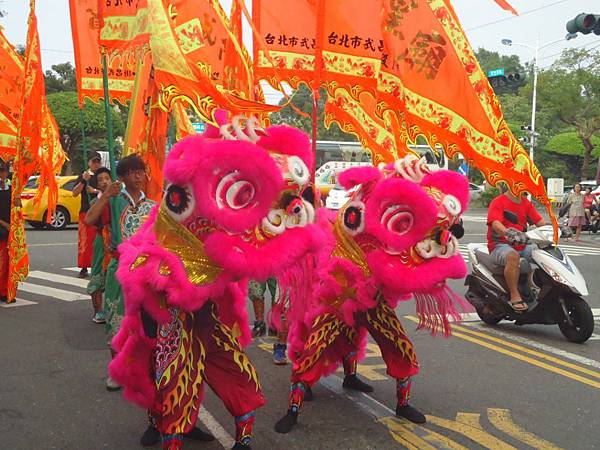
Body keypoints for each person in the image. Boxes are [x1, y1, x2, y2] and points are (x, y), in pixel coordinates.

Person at [85, 155, 155, 390]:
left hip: (146, 272)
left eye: (141, 171)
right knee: (116, 320)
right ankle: (116, 370)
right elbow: (90, 219)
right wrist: (106, 195)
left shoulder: (152, 206)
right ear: (123, 177)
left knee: (148, 323)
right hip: (119, 268)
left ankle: (145, 369)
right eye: (133, 172)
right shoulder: (114, 200)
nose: (138, 175)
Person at [487, 185, 546, 312]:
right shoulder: (498, 201)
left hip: (522, 244)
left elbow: (540, 222)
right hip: (500, 245)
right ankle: (514, 295)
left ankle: (534, 287)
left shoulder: (526, 203)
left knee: (543, 252)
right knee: (513, 256)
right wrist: (507, 233)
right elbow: (495, 223)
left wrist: (556, 228)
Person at [85, 167, 113, 324]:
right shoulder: (96, 201)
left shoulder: (120, 198)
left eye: (107, 178)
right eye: (100, 179)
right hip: (101, 241)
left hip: (117, 241)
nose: (104, 182)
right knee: (97, 273)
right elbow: (90, 220)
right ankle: (98, 310)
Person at [73, 152, 103, 278]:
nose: (96, 164)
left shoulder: (103, 176)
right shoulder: (84, 176)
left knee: (101, 240)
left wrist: (95, 191)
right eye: (93, 161)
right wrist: (83, 181)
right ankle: (84, 266)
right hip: (86, 211)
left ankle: (100, 265)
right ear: (89, 162)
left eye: (98, 161)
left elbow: (109, 190)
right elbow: (75, 192)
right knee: (85, 241)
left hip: (100, 212)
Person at [248, 278, 289, 365]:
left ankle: (275, 327)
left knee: (282, 300)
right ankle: (260, 325)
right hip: (258, 264)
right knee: (255, 289)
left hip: (282, 267)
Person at [0, 161, 12, 303]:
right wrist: (5, 224)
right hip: (3, 227)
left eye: (4, 170)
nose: (2, 174)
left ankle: (5, 291)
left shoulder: (11, 187)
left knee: (7, 263)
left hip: (9, 229)